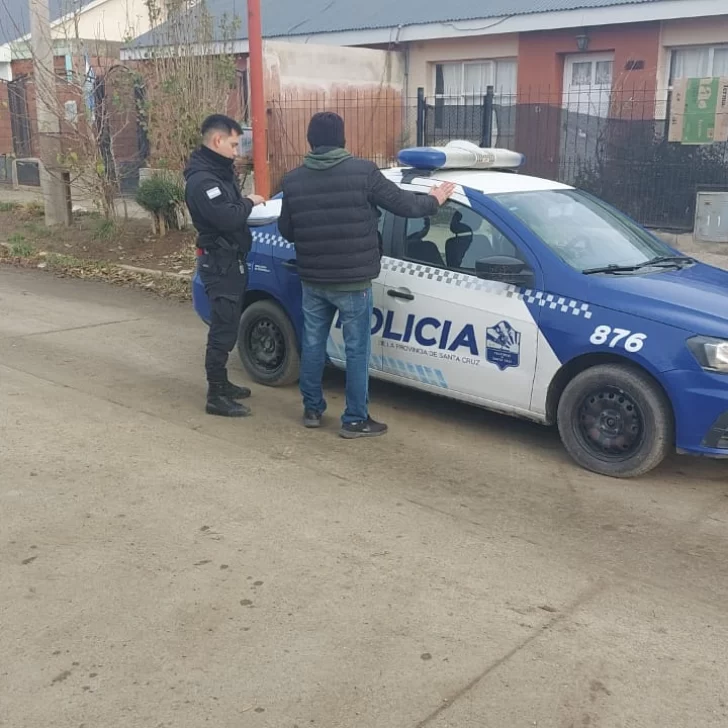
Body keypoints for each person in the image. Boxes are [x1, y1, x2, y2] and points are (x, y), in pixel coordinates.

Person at [279, 112, 455, 439]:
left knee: (314, 343)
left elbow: (286, 230)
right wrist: (434, 200)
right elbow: (404, 205)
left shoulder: (292, 180)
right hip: (353, 283)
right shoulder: (363, 173)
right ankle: (355, 419)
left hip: (313, 281)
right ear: (343, 139)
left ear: (310, 141)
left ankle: (313, 409)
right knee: (357, 349)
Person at [184, 114, 266, 417]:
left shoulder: (218, 173)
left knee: (228, 324)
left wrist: (241, 203)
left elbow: (228, 209)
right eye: (233, 144)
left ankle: (223, 384)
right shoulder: (203, 180)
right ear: (217, 141)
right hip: (219, 262)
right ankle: (215, 394)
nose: (237, 151)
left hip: (230, 259)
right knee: (223, 328)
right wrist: (250, 202)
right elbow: (228, 216)